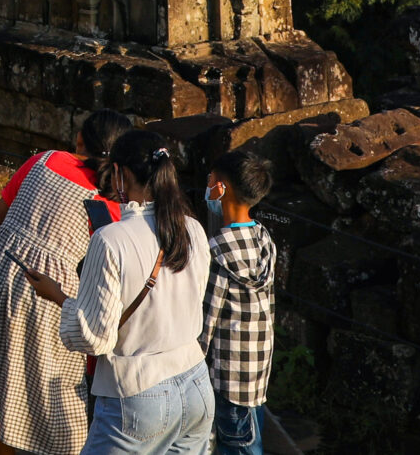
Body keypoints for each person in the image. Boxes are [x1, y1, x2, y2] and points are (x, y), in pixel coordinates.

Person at [0, 109, 136, 455]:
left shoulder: (44, 160)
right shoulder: (111, 203)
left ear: (80, 140)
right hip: (50, 290)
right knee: (53, 390)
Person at [20, 130, 214, 455]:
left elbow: (95, 338)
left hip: (140, 394)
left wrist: (60, 298)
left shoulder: (110, 239)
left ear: (121, 174)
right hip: (195, 383)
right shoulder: (192, 228)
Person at [202, 149, 279, 455]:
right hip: (256, 372)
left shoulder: (217, 250)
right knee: (249, 442)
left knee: (236, 446)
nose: (208, 186)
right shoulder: (264, 238)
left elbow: (206, 321)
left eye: (211, 180)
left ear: (222, 188)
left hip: (225, 375)